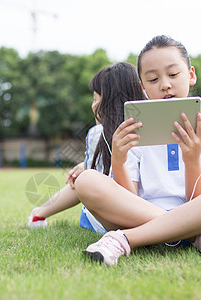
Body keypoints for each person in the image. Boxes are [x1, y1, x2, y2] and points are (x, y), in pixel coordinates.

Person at [74, 35, 201, 266]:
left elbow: (200, 201)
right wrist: (118, 161)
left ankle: (124, 240)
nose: (165, 84)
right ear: (143, 87)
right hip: (142, 217)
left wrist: (192, 160)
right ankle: (198, 237)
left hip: (154, 223)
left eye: (173, 74)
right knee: (87, 181)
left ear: (191, 75)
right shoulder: (133, 130)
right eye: (153, 79)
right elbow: (129, 200)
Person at [27, 62, 146, 230]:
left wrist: (87, 166)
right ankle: (38, 213)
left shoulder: (99, 133)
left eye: (96, 99)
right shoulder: (107, 133)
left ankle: (38, 213)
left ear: (107, 104)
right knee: (85, 179)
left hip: (112, 216)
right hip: (125, 214)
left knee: (85, 178)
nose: (93, 105)